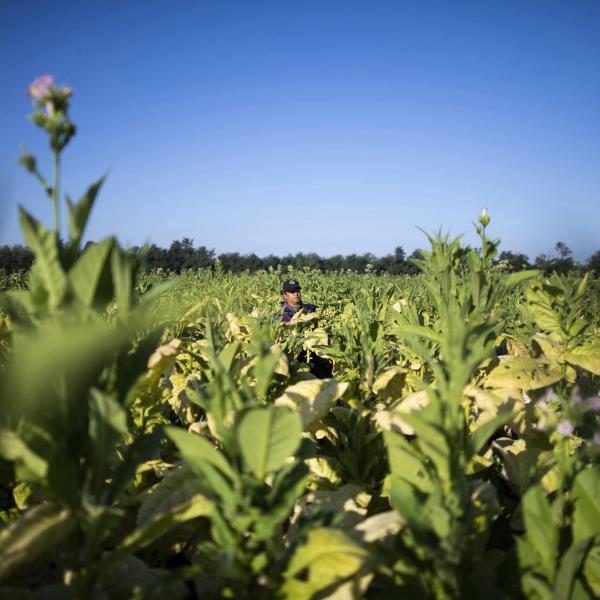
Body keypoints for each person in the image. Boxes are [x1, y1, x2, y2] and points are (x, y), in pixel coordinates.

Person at [276, 278, 333, 378]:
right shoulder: (280, 315)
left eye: (297, 291)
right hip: (296, 357)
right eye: (292, 292)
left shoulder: (311, 308)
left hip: (316, 354)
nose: (296, 294)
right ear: (285, 295)